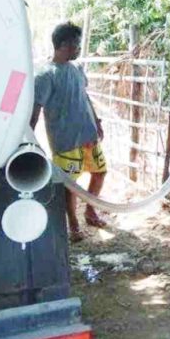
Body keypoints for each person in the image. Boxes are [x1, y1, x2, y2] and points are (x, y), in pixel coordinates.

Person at [30, 22, 107, 243]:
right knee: (70, 185)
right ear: (64, 45)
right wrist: (31, 139)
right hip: (66, 141)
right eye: (76, 44)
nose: (79, 48)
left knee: (100, 172)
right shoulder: (45, 75)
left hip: (88, 136)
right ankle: (73, 225)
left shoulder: (76, 70)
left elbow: (85, 97)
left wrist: (97, 122)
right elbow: (36, 109)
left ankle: (91, 212)